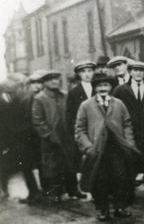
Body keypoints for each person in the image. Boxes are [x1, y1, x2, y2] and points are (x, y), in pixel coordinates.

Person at [75, 73, 140, 221]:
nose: (103, 88)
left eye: (106, 85)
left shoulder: (118, 104)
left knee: (120, 178)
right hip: (97, 150)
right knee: (100, 181)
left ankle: (120, 207)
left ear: (111, 87)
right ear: (95, 88)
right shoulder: (86, 105)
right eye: (99, 86)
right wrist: (88, 147)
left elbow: (127, 123)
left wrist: (128, 142)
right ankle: (102, 209)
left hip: (117, 148)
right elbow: (80, 129)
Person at [112, 60, 144, 201]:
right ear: (129, 71)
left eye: (141, 71)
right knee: (129, 161)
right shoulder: (120, 90)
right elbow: (115, 111)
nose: (138, 73)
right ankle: (128, 192)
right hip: (129, 131)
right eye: (135, 70)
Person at [32, 70, 85, 202]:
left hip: (66, 136)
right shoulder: (40, 99)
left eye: (56, 79)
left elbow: (72, 114)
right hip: (50, 139)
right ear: (44, 82)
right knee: (53, 167)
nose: (54, 82)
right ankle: (56, 193)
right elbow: (37, 121)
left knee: (70, 163)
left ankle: (73, 190)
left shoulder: (65, 95)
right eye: (50, 80)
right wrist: (49, 135)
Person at [0, 74, 42, 204]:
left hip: (24, 136)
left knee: (28, 165)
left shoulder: (22, 98)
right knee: (25, 165)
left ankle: (35, 193)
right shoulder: (11, 98)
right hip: (13, 138)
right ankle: (33, 192)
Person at [65, 61, 96, 181]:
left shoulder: (99, 88)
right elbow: (70, 115)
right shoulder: (74, 92)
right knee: (86, 160)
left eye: (90, 71)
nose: (87, 74)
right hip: (84, 131)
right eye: (84, 72)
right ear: (79, 74)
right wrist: (77, 132)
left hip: (98, 129)